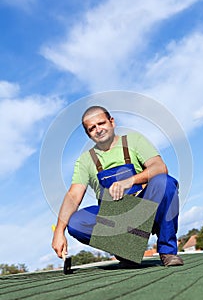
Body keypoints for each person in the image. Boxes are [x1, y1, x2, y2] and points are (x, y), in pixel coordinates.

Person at [52, 105, 184, 267]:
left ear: (112, 122)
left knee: (165, 182)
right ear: (88, 134)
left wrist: (130, 181)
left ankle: (168, 251)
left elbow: (159, 167)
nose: (98, 129)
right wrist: (59, 232)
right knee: (76, 222)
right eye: (92, 128)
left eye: (101, 123)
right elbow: (74, 195)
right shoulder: (85, 161)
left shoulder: (134, 141)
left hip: (145, 211)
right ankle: (126, 250)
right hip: (115, 221)